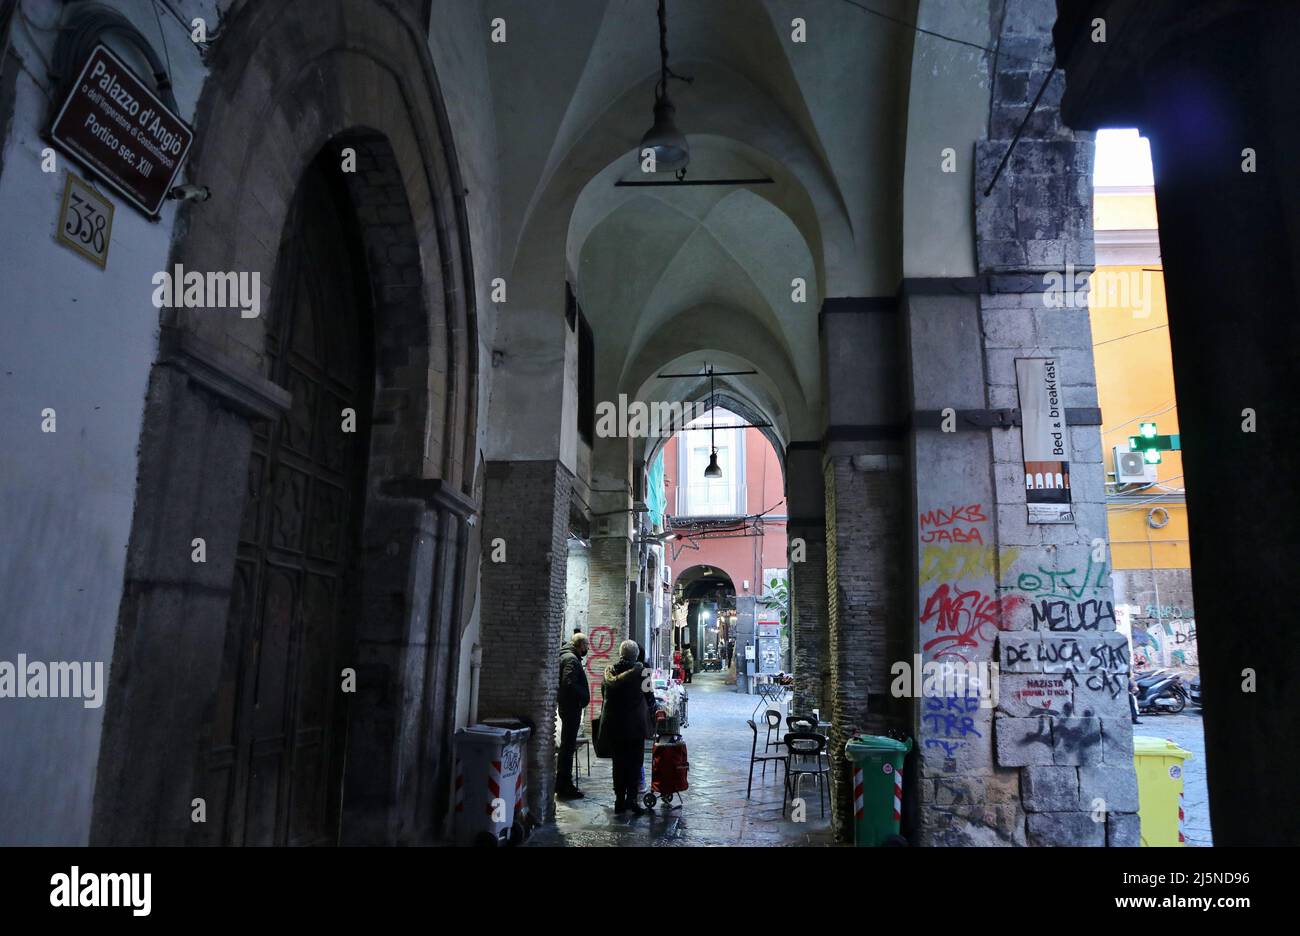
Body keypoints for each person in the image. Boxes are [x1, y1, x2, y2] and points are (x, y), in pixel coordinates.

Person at [600, 639, 655, 814]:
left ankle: (619, 800)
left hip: (615, 724)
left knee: (619, 762)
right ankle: (632, 799)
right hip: (635, 725)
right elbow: (649, 697)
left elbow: (604, 694)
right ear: (636, 655)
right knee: (635, 762)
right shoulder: (643, 672)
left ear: (620, 653)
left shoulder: (610, 671)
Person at [556, 632, 590, 799]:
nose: (588, 648)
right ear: (580, 645)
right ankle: (564, 785)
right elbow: (568, 683)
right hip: (570, 708)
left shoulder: (566, 656)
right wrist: (581, 697)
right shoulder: (571, 659)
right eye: (586, 645)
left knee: (567, 747)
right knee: (568, 748)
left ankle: (562, 782)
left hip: (568, 707)